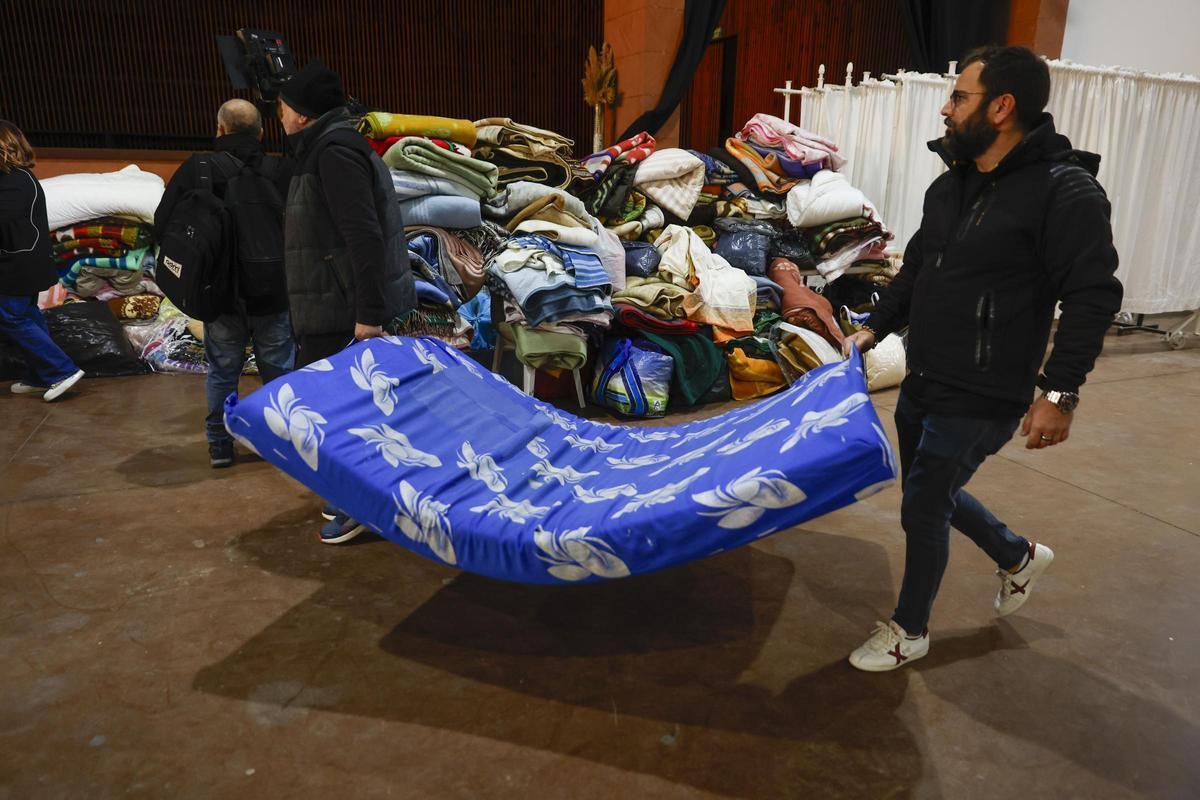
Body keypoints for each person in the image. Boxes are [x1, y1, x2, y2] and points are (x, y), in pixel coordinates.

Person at [841, 46, 1123, 672]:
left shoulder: (1064, 190)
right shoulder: (951, 185)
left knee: (923, 504)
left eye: (958, 97)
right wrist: (873, 330)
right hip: (925, 373)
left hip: (987, 388)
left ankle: (910, 629)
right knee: (929, 491)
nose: (946, 109)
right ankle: (1017, 555)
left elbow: (1093, 294)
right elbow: (918, 268)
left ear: (1002, 107)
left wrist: (1060, 392)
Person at [276, 60, 416, 544]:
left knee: (342, 416)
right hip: (330, 302)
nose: (279, 114)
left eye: (283, 106)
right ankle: (350, 495)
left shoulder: (335, 152)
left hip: (341, 309)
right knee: (337, 412)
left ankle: (364, 505)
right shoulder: (326, 147)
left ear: (302, 113)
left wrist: (368, 316)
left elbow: (364, 236)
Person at [154, 99, 297, 469]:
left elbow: (163, 222)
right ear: (261, 133)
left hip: (220, 294)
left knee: (222, 371)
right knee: (279, 371)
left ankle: (220, 445)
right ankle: (283, 443)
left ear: (219, 129)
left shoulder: (198, 168)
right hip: (275, 290)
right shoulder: (282, 169)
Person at [0, 120, 85, 402]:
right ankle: (41, 374)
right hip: (23, 261)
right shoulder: (17, 177)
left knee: (10, 317)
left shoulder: (14, 180)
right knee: (27, 316)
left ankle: (62, 370)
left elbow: (4, 218)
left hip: (18, 264)